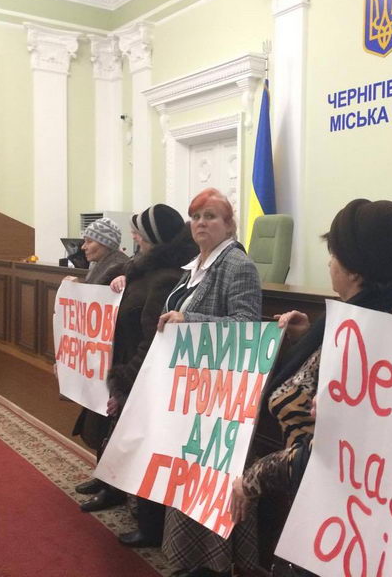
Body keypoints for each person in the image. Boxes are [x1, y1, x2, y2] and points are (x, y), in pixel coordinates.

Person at [229, 199, 392, 567]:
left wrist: (251, 480)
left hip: (335, 519)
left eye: (333, 255)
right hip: (345, 515)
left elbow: (330, 450)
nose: (329, 264)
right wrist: (310, 339)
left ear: (355, 272)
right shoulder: (390, 311)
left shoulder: (369, 336)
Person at [157, 187, 262, 577]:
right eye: (196, 216)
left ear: (229, 224)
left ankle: (214, 564)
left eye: (211, 216)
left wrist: (189, 321)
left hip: (222, 395)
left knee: (213, 482)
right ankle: (190, 561)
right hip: (192, 390)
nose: (201, 223)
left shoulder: (237, 265)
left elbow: (247, 327)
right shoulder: (195, 265)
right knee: (190, 478)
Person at [84, 205, 198, 546]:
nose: (134, 237)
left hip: (140, 373)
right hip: (127, 365)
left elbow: (152, 337)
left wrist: (125, 377)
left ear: (156, 238)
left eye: (140, 233)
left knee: (141, 446)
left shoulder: (164, 278)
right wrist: (121, 276)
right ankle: (113, 488)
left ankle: (149, 525)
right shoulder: (141, 268)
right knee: (116, 436)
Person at [67, 217, 129, 512]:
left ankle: (110, 486)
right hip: (97, 357)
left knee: (105, 423)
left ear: (104, 243)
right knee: (96, 418)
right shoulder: (100, 265)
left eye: (89, 240)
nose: (84, 246)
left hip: (111, 357)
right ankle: (102, 477)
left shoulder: (118, 267)